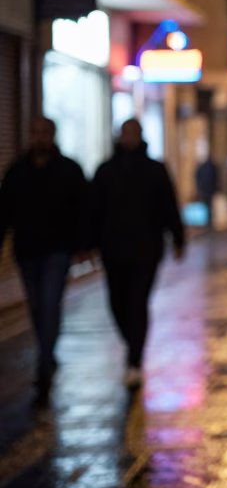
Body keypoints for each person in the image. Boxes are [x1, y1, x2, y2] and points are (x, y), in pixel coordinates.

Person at [86, 119, 185, 388]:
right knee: (117, 304)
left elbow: (169, 205)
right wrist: (88, 244)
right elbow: (94, 210)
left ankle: (134, 361)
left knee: (138, 303)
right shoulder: (106, 170)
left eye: (133, 133)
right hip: (114, 250)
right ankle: (134, 344)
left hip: (146, 250)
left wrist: (178, 238)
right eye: (125, 133)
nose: (128, 137)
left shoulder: (155, 170)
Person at [0, 118, 87, 405]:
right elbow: (4, 213)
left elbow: (82, 209)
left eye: (43, 133)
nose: (39, 138)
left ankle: (44, 363)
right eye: (34, 133)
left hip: (58, 250)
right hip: (27, 251)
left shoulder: (68, 170)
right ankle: (47, 353)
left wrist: (84, 244)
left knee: (50, 303)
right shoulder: (17, 172)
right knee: (37, 307)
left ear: (52, 136)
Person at [195, 157, 220, 230]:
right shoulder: (211, 167)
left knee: (208, 206)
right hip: (208, 190)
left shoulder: (207, 167)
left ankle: (208, 221)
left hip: (206, 190)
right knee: (208, 206)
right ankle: (208, 221)